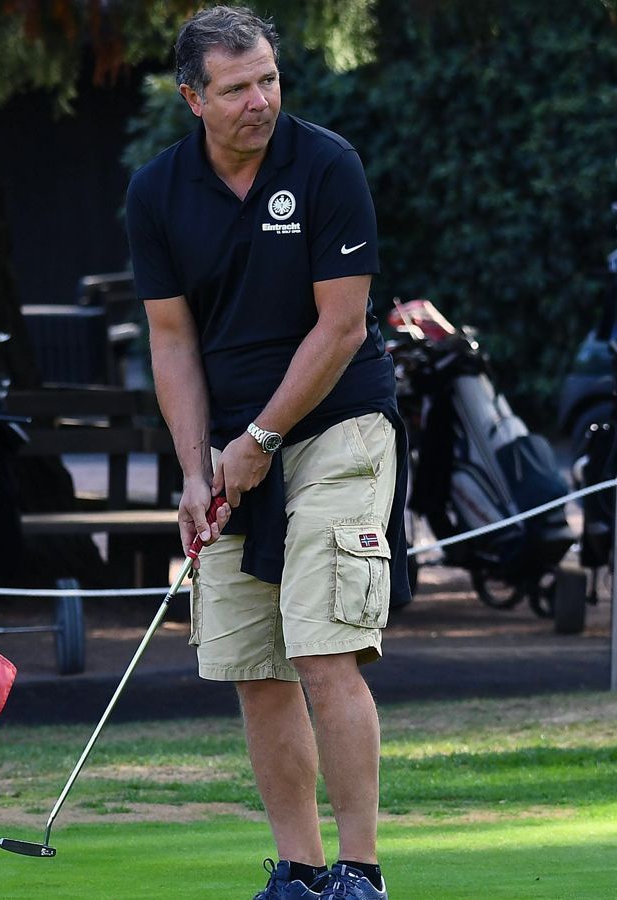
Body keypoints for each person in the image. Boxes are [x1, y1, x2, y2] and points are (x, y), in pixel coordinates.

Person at [125, 7, 404, 899]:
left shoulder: (327, 166)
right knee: (256, 668)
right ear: (192, 99)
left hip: (338, 431)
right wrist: (196, 471)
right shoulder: (156, 193)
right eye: (237, 87)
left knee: (324, 651)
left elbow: (343, 326)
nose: (260, 101)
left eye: (269, 79)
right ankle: (301, 873)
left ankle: (360, 874)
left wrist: (257, 443)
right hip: (236, 451)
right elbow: (172, 341)